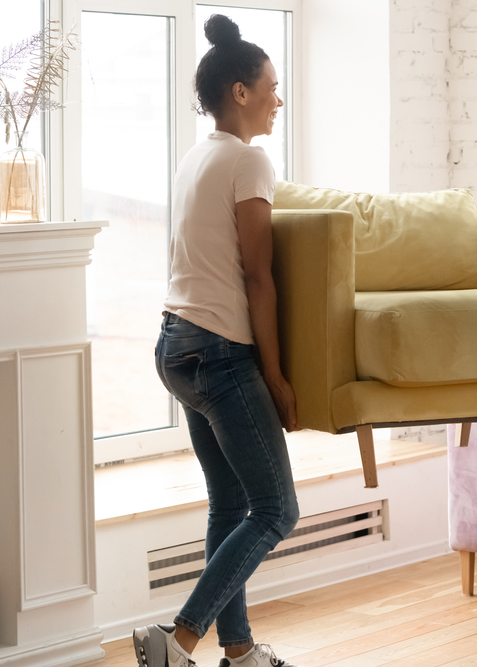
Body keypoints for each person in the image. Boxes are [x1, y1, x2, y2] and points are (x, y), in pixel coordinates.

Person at [131, 14, 301, 667]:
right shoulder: (249, 159)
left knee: (230, 503)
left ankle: (240, 650)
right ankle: (179, 638)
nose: (277, 99)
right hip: (220, 355)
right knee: (276, 508)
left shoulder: (196, 156)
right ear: (239, 91)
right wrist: (279, 378)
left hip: (175, 348)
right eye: (271, 87)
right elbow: (259, 278)